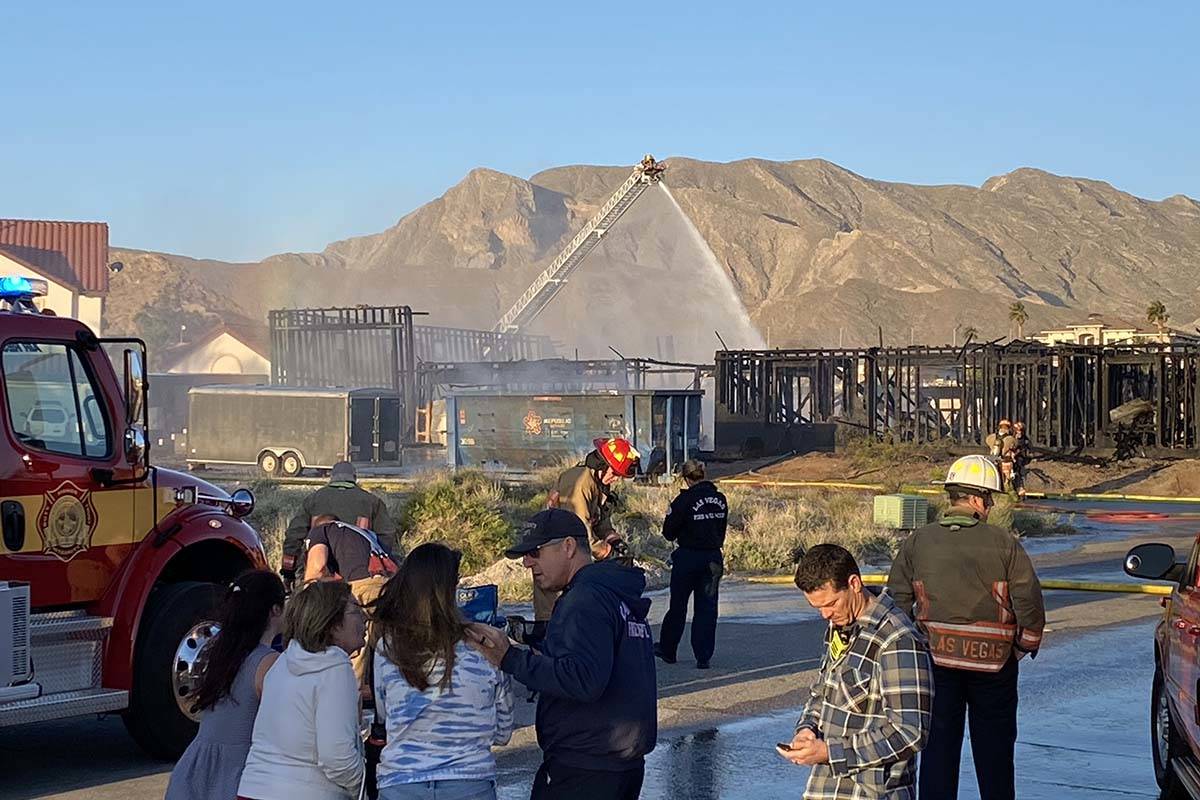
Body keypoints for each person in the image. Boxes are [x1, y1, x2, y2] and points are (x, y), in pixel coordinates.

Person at [886, 454, 1046, 800]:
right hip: (994, 666)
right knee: (995, 755)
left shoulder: (917, 542)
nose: (988, 508)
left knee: (939, 751)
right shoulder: (1004, 544)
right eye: (988, 500)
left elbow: (896, 603)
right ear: (976, 499)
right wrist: (1023, 646)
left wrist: (913, 649)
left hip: (936, 665)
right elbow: (1029, 602)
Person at [468, 509, 656, 800]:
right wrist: (539, 637)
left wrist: (509, 657)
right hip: (620, 762)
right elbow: (602, 655)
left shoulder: (584, 599)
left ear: (568, 546)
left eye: (535, 552)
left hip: (585, 765)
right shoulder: (613, 593)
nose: (527, 563)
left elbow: (583, 679)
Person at [783, 544, 933, 800]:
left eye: (830, 604)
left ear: (854, 583)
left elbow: (910, 732)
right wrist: (807, 729)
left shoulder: (898, 641)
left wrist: (831, 753)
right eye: (817, 607)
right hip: (827, 788)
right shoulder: (841, 624)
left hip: (873, 792)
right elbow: (823, 690)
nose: (825, 615)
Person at [370, 542, 514, 800]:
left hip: (401, 782)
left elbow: (384, 715)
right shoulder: (486, 647)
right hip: (469, 781)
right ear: (452, 589)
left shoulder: (387, 648)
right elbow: (502, 733)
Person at [238, 580, 367, 800]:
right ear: (333, 624)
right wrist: (361, 789)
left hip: (253, 789)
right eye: (356, 610)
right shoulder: (335, 669)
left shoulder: (283, 662)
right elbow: (337, 757)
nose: (365, 618)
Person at [165, 570, 285, 800]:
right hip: (236, 774)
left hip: (194, 768)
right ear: (275, 610)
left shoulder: (219, 650)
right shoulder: (269, 662)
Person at [535, 437, 641, 621]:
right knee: (553, 617)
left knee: (578, 614)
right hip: (551, 551)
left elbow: (600, 522)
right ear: (602, 465)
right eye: (614, 474)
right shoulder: (579, 483)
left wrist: (614, 540)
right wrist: (607, 552)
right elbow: (579, 532)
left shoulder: (599, 484)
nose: (615, 480)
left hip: (568, 551)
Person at [303, 514, 397, 691]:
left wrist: (304, 601)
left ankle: (350, 704)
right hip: (393, 586)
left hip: (362, 586)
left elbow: (316, 569)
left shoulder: (320, 530)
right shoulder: (366, 534)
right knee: (386, 650)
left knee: (353, 649)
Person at [654, 459, 727, 669]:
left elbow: (668, 532)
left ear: (686, 478)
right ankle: (703, 656)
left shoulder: (683, 501)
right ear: (703, 475)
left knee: (678, 605)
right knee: (707, 608)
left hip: (688, 557)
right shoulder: (720, 499)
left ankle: (668, 649)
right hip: (713, 557)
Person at [281, 460, 399, 590]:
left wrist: (288, 572)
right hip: (359, 574)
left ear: (331, 478)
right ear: (354, 478)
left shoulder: (313, 499)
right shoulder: (372, 502)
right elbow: (386, 538)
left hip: (320, 574)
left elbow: (294, 536)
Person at [984, 420, 1017, 492]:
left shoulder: (991, 437)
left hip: (993, 461)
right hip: (1006, 462)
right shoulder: (1011, 439)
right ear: (1008, 428)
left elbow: (987, 441)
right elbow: (1015, 446)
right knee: (1006, 480)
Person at [1011, 421, 1031, 497]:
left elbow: (1022, 448)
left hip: (1019, 458)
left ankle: (1020, 488)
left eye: (1020, 430)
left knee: (1018, 472)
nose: (1018, 432)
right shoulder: (1011, 438)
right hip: (1010, 457)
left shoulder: (1024, 440)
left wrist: (1015, 454)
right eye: (1016, 429)